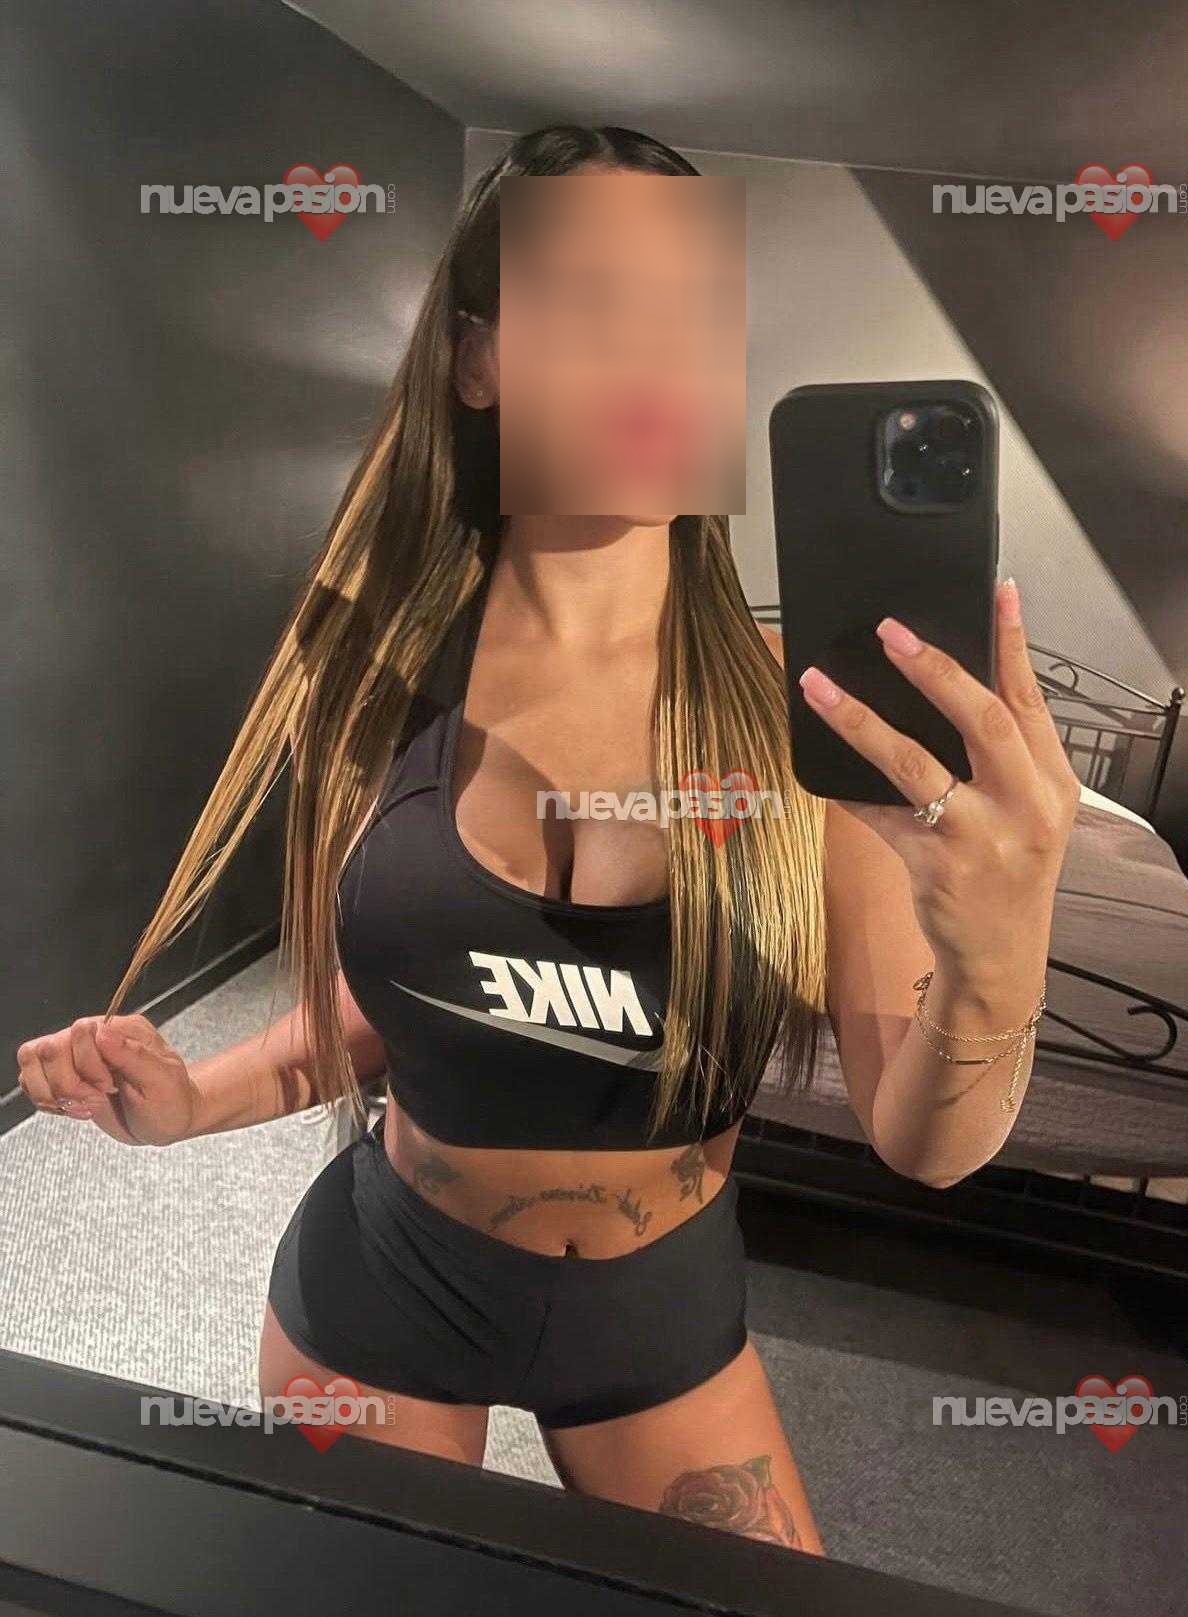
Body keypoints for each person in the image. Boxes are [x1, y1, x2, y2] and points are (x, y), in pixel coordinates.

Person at [15, 125, 1079, 1558]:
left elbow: (928, 1143)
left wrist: (1001, 946)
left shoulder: (812, 724)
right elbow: (402, 1000)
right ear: (478, 359)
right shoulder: (378, 681)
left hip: (655, 1316)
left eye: (693, 310)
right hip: (389, 1277)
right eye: (590, 301)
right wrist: (189, 1101)